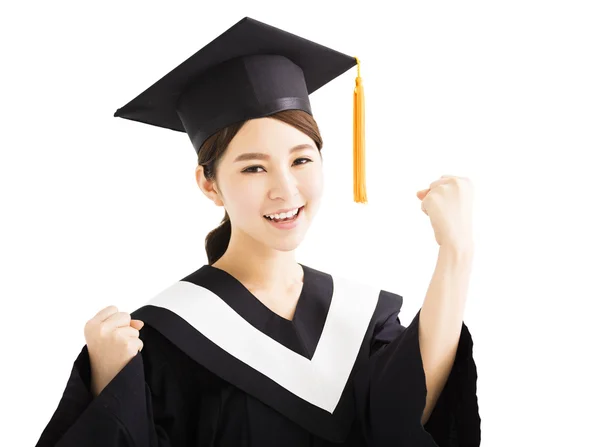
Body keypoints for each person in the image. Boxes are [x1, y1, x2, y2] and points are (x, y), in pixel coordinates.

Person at [35, 16, 481, 446]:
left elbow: (406, 423)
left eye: (301, 159)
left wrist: (455, 252)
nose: (284, 189)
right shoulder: (168, 337)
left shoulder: (363, 318)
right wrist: (108, 383)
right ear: (209, 184)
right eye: (253, 168)